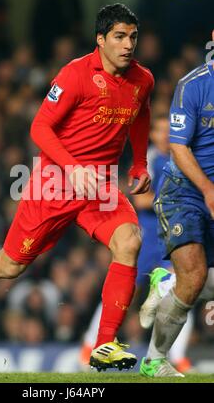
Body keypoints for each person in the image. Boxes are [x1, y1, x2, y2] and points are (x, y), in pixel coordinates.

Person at [0, 4, 154, 371]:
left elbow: (141, 114)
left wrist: (141, 162)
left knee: (129, 241)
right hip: (55, 184)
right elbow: (39, 128)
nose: (128, 44)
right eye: (119, 36)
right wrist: (73, 169)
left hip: (99, 187)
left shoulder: (142, 80)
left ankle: (104, 344)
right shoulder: (75, 74)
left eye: (132, 36)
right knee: (10, 265)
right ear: (100, 40)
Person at [79, 115, 195, 373]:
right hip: (147, 238)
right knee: (123, 292)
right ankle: (89, 346)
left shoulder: (184, 158)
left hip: (173, 239)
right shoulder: (150, 160)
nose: (165, 136)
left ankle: (178, 357)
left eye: (169, 130)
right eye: (160, 131)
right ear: (152, 135)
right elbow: (141, 200)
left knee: (185, 292)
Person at [140, 30, 214, 377]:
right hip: (183, 192)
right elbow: (178, 147)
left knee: (194, 281)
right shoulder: (193, 85)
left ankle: (167, 283)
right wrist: (208, 189)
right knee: (196, 274)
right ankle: (154, 360)